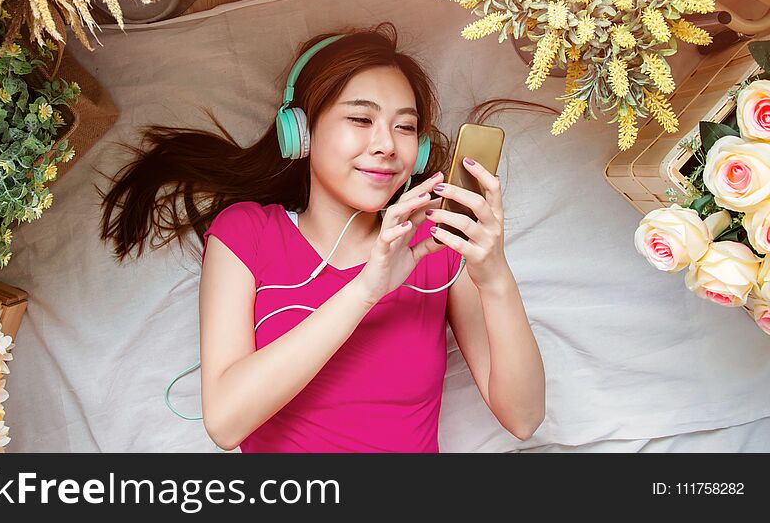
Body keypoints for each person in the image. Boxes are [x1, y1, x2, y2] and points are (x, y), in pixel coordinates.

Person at [99, 22, 546, 452]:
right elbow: (225, 422)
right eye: (360, 119)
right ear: (302, 132)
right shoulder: (247, 232)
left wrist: (495, 276)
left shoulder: (437, 242)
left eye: (405, 127)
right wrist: (366, 290)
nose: (387, 145)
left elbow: (523, 418)